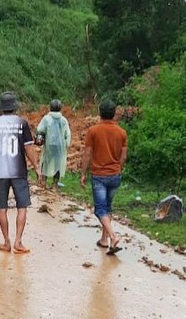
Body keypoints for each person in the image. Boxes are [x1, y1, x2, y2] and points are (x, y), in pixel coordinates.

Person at [0, 92, 41, 254]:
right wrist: (36, 166)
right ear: (14, 107)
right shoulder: (22, 123)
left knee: (2, 208)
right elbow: (28, 147)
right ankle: (18, 242)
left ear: (1, 107)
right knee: (22, 206)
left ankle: (6, 242)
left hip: (0, 172)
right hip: (19, 171)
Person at [80, 100, 127, 255]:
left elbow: (87, 153)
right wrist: (118, 168)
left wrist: (83, 173)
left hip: (99, 175)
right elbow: (123, 155)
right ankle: (104, 239)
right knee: (107, 207)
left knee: (100, 210)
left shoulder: (94, 131)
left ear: (99, 112)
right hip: (115, 175)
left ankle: (113, 237)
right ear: (114, 114)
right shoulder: (121, 132)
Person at [35, 99, 71, 190]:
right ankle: (55, 184)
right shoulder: (63, 120)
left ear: (50, 108)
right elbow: (68, 134)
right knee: (58, 165)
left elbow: (40, 129)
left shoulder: (46, 119)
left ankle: (43, 181)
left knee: (46, 162)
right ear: (60, 108)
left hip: (49, 145)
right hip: (60, 146)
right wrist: (66, 144)